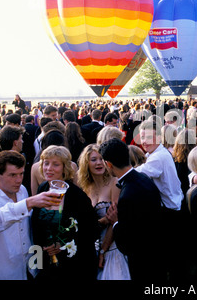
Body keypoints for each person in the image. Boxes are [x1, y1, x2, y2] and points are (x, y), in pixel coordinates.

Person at [0, 151, 63, 280]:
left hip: (32, 267)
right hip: (3, 272)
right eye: (13, 175)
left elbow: (29, 228)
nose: (19, 180)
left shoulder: (22, 191)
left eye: (21, 174)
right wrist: (29, 203)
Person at [99, 138, 165, 281]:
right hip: (158, 252)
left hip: (143, 261)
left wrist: (115, 222)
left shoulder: (128, 193)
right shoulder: (143, 178)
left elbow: (128, 244)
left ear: (108, 164)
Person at [31, 145, 98, 280]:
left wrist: (62, 245)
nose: (49, 168)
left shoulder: (77, 196)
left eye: (55, 164)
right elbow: (36, 225)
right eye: (46, 163)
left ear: (64, 168)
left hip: (73, 266)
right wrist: (44, 248)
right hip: (46, 263)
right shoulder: (42, 188)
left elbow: (91, 230)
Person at [135, 119, 186, 281]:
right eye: (142, 137)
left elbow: (135, 175)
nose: (144, 141)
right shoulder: (157, 154)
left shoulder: (158, 157)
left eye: (148, 137)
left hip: (171, 213)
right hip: (173, 207)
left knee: (171, 259)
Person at [77, 144, 130, 280]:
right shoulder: (85, 189)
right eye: (94, 159)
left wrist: (103, 250)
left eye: (101, 159)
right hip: (93, 248)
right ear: (86, 163)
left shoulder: (114, 183)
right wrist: (102, 221)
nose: (99, 163)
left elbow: (114, 220)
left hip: (113, 247)